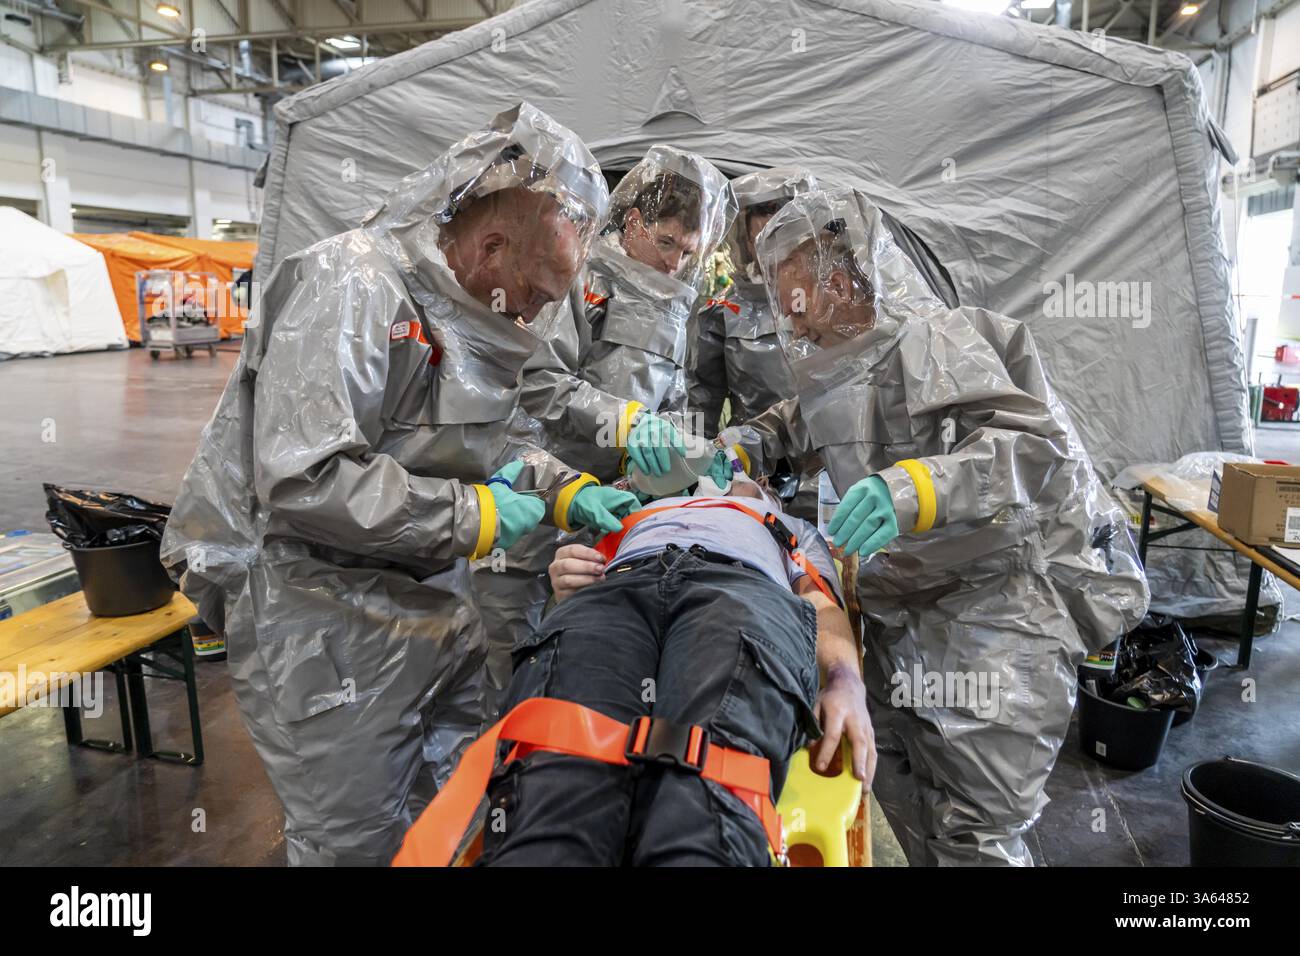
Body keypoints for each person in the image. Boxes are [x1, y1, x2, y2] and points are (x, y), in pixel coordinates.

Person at [159, 103, 640, 866]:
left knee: (454, 807)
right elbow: (304, 478)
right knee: (359, 841)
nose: (543, 316)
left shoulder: (466, 307)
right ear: (489, 246)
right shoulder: (352, 286)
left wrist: (557, 487)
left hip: (425, 599)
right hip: (316, 616)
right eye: (542, 292)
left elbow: (478, 441)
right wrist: (469, 514)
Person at [715, 187, 1149, 865]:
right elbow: (792, 423)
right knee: (909, 803)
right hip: (907, 614)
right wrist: (736, 449)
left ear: (842, 273)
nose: (790, 322)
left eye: (792, 292)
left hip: (997, 617)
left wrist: (917, 486)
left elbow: (1035, 449)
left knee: (976, 831)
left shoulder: (938, 339)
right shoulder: (840, 357)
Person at [394, 474, 875, 867]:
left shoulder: (785, 526)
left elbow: (820, 604)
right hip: (617, 592)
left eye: (740, 474)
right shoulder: (633, 515)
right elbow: (571, 585)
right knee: (558, 778)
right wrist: (566, 580)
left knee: (704, 800)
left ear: (766, 488)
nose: (718, 476)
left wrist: (846, 681)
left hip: (741, 592)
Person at [471, 146, 736, 704]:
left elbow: (675, 390)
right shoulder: (582, 276)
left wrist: (683, 449)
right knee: (507, 649)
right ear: (634, 221)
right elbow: (538, 381)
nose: (673, 263)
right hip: (540, 493)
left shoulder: (675, 298)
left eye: (688, 251)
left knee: (579, 652)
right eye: (665, 242)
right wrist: (627, 422)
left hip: (612, 508)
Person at [689, 167, 817, 437]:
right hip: (756, 458)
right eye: (762, 241)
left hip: (828, 454)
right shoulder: (722, 313)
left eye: (783, 240)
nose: (773, 254)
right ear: (746, 241)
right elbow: (701, 402)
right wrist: (700, 461)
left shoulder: (831, 297)